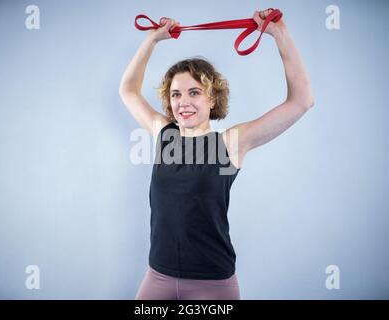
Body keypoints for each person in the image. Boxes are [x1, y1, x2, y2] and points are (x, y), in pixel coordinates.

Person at [119, 9, 315, 300]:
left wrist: (280, 34)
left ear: (212, 98)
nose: (183, 102)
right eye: (176, 94)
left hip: (211, 283)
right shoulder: (164, 135)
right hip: (157, 276)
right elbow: (128, 91)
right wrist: (152, 40)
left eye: (194, 93)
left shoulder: (230, 144)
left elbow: (301, 101)